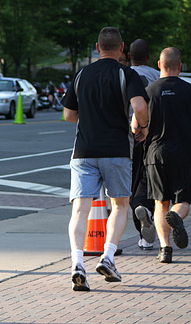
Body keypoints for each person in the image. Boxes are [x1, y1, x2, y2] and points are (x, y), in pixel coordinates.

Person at [62, 27, 149, 292]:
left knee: (80, 209)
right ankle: (108, 257)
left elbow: (68, 114)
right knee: (120, 204)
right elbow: (139, 106)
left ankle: (78, 264)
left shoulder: (82, 74)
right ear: (121, 48)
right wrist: (141, 127)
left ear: (98, 48)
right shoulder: (127, 74)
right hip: (116, 150)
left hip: (84, 151)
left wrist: (89, 118)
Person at [144, 47, 191, 263]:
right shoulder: (188, 90)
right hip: (183, 153)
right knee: (183, 199)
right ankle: (177, 216)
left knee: (160, 203)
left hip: (155, 155)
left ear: (159, 65)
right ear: (180, 67)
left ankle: (165, 249)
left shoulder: (148, 91)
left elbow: (137, 125)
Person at [129, 39, 160, 250]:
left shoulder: (123, 75)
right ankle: (147, 212)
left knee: (131, 184)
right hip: (151, 135)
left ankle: (142, 234)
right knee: (148, 180)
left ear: (129, 55)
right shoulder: (157, 77)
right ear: (149, 57)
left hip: (127, 138)